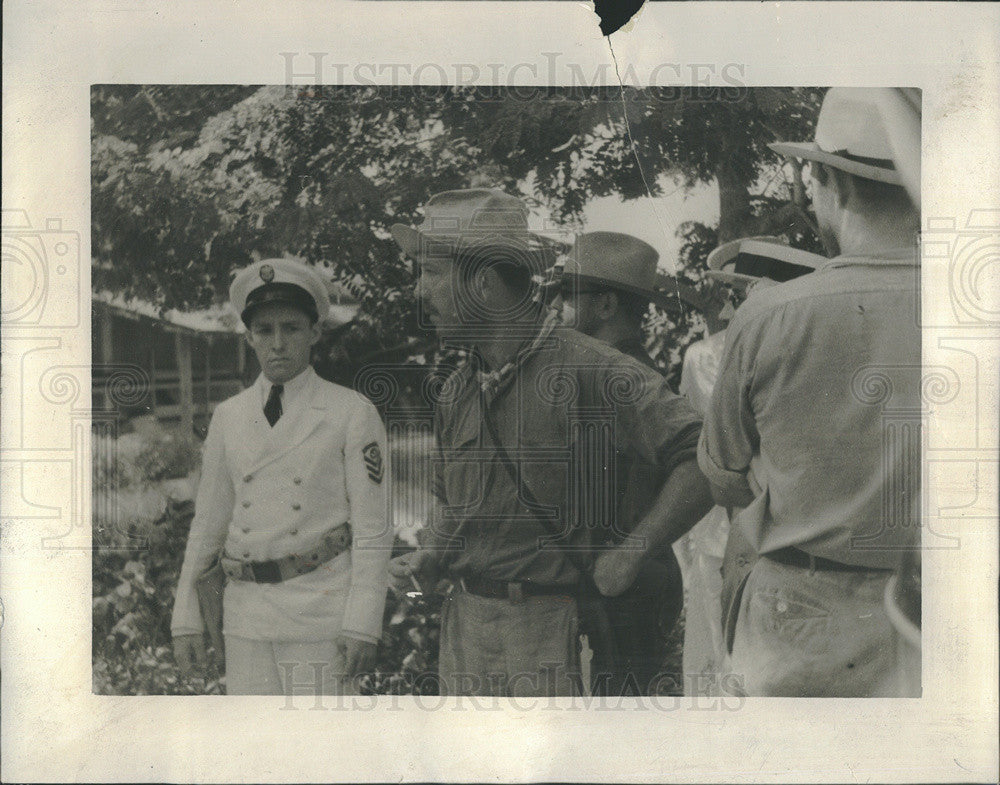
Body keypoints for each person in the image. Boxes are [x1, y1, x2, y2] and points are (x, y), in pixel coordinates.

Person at [387, 189, 712, 697]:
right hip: (466, 630)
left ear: (484, 282)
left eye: (430, 273)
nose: (418, 292)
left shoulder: (593, 369)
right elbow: (453, 503)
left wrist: (630, 555)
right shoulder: (457, 390)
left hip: (552, 634)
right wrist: (429, 556)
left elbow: (703, 454)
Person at [697, 87, 922, 697]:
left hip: (800, 611)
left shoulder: (772, 315)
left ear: (835, 185)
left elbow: (722, 474)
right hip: (933, 611)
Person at [171, 258, 392, 695]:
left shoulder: (350, 412)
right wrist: (185, 617)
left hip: (320, 613)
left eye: (290, 329)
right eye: (265, 330)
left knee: (319, 753)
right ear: (249, 336)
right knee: (253, 751)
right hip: (246, 615)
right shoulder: (229, 416)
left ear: (314, 333)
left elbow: (372, 529)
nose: (277, 344)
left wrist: (362, 624)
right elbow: (208, 524)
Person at [678, 236, 822, 696]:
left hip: (773, 534)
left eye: (745, 294)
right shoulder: (706, 356)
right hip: (741, 531)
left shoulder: (806, 349)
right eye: (737, 296)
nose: (732, 309)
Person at [556, 231, 685, 695]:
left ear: (606, 305)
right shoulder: (604, 372)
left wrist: (627, 555)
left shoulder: (620, 379)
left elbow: (694, 466)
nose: (558, 310)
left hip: (621, 586)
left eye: (568, 297)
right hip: (620, 579)